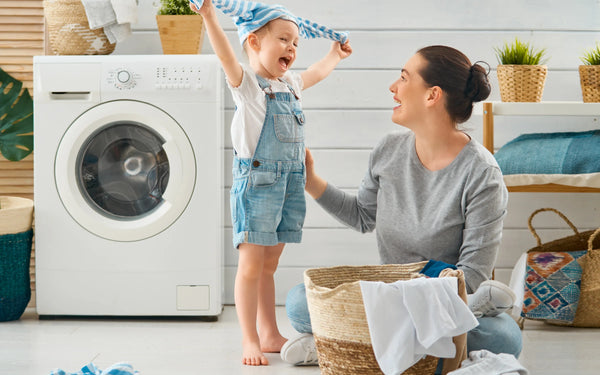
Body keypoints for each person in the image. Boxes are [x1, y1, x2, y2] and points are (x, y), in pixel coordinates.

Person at [281, 45, 523, 370]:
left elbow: (474, 274)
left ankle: (345, 342)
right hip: (391, 294)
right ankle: (391, 343)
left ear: (432, 95)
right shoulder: (388, 150)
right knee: (299, 301)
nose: (393, 87)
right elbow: (363, 216)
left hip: (444, 302)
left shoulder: (482, 174)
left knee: (504, 337)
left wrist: (425, 302)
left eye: (404, 77)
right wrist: (312, 182)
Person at [189, 0, 352, 367]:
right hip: (258, 184)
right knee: (250, 264)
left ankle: (269, 332)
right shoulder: (248, 86)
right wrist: (210, 17)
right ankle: (249, 338)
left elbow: (318, 73)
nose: (292, 49)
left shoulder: (290, 84)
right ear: (254, 42)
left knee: (269, 264)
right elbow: (225, 56)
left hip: (290, 185)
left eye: (295, 42)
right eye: (283, 39)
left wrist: (335, 55)